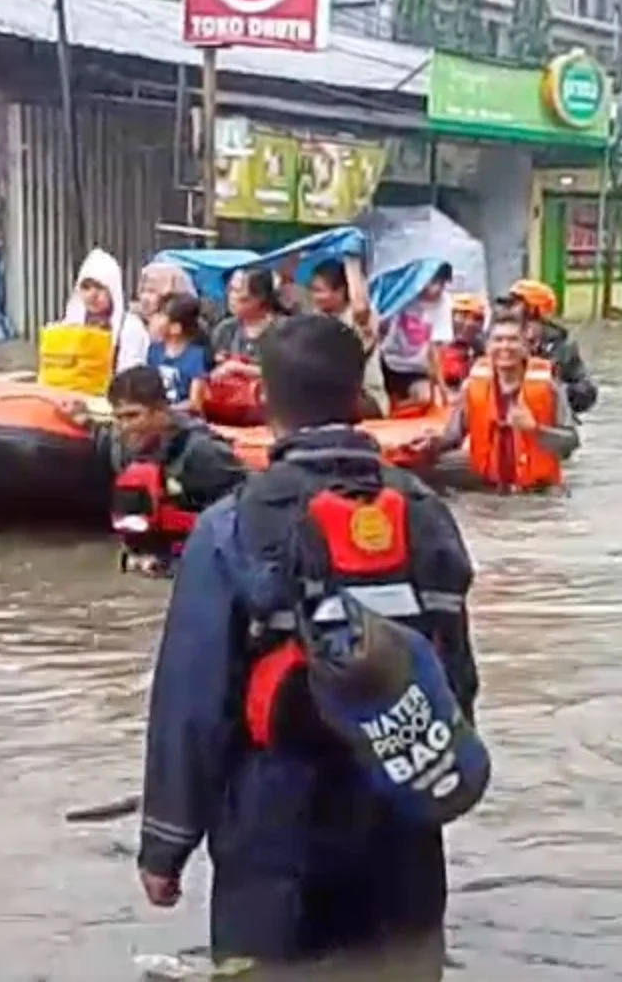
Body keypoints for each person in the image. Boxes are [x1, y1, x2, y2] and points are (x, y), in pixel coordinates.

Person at [137, 313, 488, 978]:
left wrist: (166, 844)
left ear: (263, 398)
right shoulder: (425, 512)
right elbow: (456, 677)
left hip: (274, 824)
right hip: (399, 815)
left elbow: (192, 701)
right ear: (360, 396)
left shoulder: (232, 525)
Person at [74, 365, 245, 575]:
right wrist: (85, 422)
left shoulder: (200, 450)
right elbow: (104, 435)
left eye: (133, 415)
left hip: (202, 561)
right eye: (119, 418)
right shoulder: (121, 446)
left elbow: (247, 505)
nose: (125, 426)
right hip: (149, 559)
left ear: (161, 411)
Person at [429, 312, 578, 493]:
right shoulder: (471, 386)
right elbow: (452, 436)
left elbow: (571, 442)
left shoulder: (549, 386)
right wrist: (428, 444)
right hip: (486, 487)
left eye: (513, 340)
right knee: (424, 470)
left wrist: (535, 429)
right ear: (487, 347)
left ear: (526, 347)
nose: (505, 346)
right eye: (498, 340)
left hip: (539, 492)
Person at [499, 279, 598, 415]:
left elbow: (586, 391)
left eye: (513, 304)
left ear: (533, 310)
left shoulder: (562, 347)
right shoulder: (494, 340)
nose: (506, 310)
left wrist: (555, 391)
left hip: (545, 419)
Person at [206, 267, 286, 424]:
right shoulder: (224, 329)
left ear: (260, 297)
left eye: (238, 291)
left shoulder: (285, 330)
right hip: (227, 411)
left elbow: (288, 374)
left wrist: (239, 368)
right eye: (230, 290)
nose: (232, 297)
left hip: (273, 415)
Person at [307, 257, 387, 414]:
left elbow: (360, 308)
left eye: (319, 291)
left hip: (366, 396)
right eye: (313, 290)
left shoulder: (361, 318)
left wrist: (352, 259)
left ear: (340, 291)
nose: (315, 297)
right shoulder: (315, 319)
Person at [375, 262, 454, 411]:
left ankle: (395, 407)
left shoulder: (444, 303)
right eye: (433, 282)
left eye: (442, 284)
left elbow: (435, 349)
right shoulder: (402, 295)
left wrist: (442, 388)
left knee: (425, 398)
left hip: (416, 370)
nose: (437, 289)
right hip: (386, 362)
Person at [63, 247, 149, 374]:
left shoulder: (130, 328)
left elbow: (130, 375)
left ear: (113, 290)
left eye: (100, 287)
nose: (92, 295)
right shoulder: (69, 326)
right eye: (86, 287)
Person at [145, 293, 212, 415]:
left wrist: (167, 410)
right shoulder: (154, 350)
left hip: (184, 419)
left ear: (175, 328)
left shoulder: (195, 357)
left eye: (160, 315)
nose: (153, 319)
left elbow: (195, 403)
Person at [438, 294, 487, 394]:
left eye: (476, 318)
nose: (469, 323)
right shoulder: (433, 348)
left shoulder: (484, 351)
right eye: (462, 316)